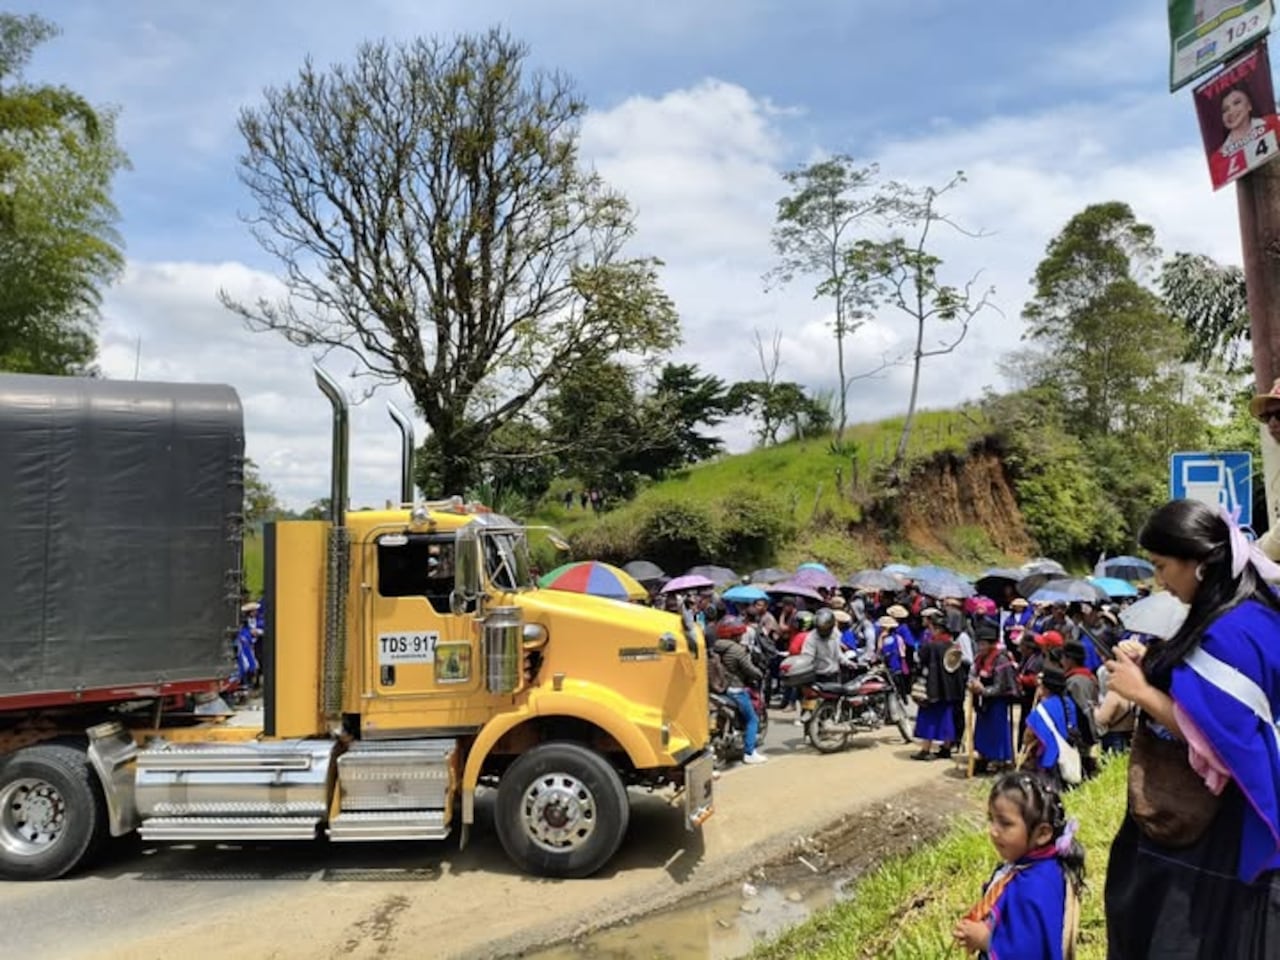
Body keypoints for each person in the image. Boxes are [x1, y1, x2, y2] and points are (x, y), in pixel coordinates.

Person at [1103, 498, 1280, 957]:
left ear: (1199, 563)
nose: (1160, 581)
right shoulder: (1248, 613)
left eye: (1163, 566)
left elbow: (1223, 743)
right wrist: (1158, 667)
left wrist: (1142, 693)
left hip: (1212, 834)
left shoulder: (1230, 634)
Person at [953, 771, 1086, 959]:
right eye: (991, 819)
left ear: (1042, 834)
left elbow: (1029, 952)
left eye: (1005, 823)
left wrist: (985, 939)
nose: (993, 831)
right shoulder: (1036, 868)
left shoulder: (1033, 888)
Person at [912, 608, 966, 761]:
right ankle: (946, 748)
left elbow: (919, 661)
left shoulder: (930, 646)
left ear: (936, 629)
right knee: (946, 718)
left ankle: (926, 749)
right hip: (950, 690)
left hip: (933, 688)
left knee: (928, 718)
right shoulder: (954, 646)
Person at [712, 617, 768, 765]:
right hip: (735, 689)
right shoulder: (736, 649)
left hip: (718, 689)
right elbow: (749, 668)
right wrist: (759, 674)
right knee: (752, 719)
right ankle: (749, 753)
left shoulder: (715, 646)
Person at [969, 618, 1019, 774]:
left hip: (998, 701)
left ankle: (998, 759)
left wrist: (983, 690)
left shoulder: (1001, 659)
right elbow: (973, 674)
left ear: (992, 644)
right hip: (983, 702)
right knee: (982, 731)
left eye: (983, 644)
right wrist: (972, 684)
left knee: (997, 731)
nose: (980, 647)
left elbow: (1001, 686)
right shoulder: (979, 658)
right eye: (979, 643)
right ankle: (983, 756)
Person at [1023, 664, 1079, 792]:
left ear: (1045, 688)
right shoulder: (1069, 704)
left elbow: (1029, 736)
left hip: (1049, 760)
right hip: (1067, 756)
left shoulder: (1042, 709)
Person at [1211, 86, 1280, 185]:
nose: (1231, 112)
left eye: (1237, 103)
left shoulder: (1272, 123)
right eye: (1225, 110)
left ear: (1249, 106)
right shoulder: (1217, 159)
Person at [1061, 639, 1100, 779]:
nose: (1062, 662)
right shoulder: (1085, 677)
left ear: (1071, 660)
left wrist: (1089, 737)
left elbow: (1085, 709)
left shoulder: (1076, 681)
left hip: (1082, 734)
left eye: (1063, 658)